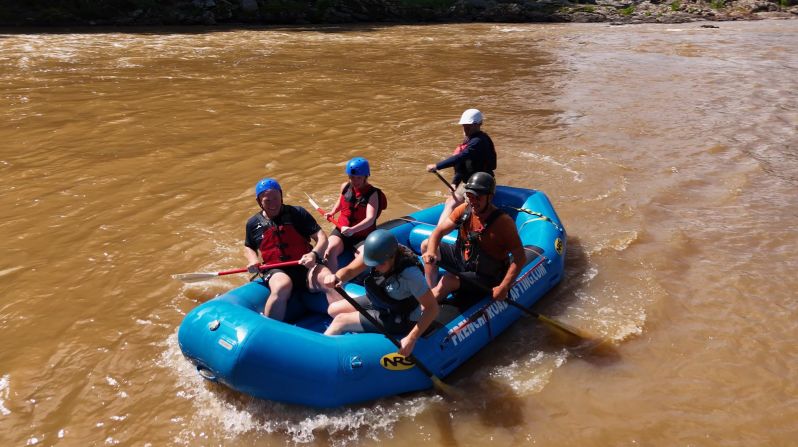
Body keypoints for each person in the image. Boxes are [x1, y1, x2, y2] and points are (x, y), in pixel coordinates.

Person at [322, 229, 440, 357]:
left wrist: (412, 339)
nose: (375, 267)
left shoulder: (411, 275)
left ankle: (319, 356)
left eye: (380, 264)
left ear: (392, 257)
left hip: (400, 316)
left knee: (340, 321)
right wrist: (337, 277)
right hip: (381, 300)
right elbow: (350, 271)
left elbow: (432, 308)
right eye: (373, 264)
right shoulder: (375, 254)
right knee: (333, 309)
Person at [421, 172, 525, 302]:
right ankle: (432, 289)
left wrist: (504, 287)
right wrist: (431, 251)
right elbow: (439, 231)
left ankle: (427, 307)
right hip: (463, 260)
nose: (473, 201)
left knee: (448, 281)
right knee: (426, 244)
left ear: (490, 197)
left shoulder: (504, 223)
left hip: (485, 275)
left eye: (478, 197)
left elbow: (520, 258)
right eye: (469, 196)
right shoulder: (464, 209)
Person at [244, 177, 333, 321]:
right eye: (267, 200)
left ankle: (346, 318)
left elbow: (322, 237)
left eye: (276, 198)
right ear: (259, 202)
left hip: (306, 265)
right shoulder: (253, 224)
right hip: (277, 270)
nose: (273, 204)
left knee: (326, 277)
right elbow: (249, 246)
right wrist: (253, 260)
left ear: (281, 195)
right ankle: (270, 328)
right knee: (282, 286)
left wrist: (314, 254)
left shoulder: (297, 213)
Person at [426, 108, 497, 226]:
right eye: (464, 126)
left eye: (468, 126)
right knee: (450, 202)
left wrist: (437, 166)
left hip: (482, 183)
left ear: (478, 124)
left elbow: (460, 157)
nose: (466, 128)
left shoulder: (479, 141)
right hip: (468, 182)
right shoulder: (468, 140)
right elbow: (461, 165)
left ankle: (470, 229)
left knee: (471, 206)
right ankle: (438, 232)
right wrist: (455, 182)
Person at [322, 157, 387, 272]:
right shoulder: (345, 186)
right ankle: (331, 281)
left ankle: (347, 275)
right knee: (329, 251)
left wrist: (353, 229)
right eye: (352, 177)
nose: (355, 181)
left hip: (361, 235)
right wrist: (332, 212)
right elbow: (341, 202)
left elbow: (370, 219)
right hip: (342, 230)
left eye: (359, 178)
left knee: (362, 257)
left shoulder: (373, 194)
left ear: (366, 177)